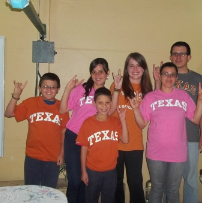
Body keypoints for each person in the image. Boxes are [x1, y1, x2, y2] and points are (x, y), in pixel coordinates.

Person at [129, 62, 202, 203]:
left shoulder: (183, 96)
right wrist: (135, 109)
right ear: (160, 75)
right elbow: (142, 124)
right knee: (157, 188)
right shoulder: (151, 97)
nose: (169, 77)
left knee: (173, 190)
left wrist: (200, 101)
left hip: (178, 152)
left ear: (176, 78)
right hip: (156, 152)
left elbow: (196, 119)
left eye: (172, 75)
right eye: (165, 74)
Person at [155, 42, 202, 203]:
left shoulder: (197, 79)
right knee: (169, 184)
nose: (178, 57)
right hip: (169, 140)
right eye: (175, 53)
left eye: (182, 54)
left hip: (191, 138)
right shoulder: (165, 77)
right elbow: (155, 101)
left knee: (190, 180)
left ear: (189, 57)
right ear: (170, 56)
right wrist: (157, 79)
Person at [59, 58, 112, 203]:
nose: (97, 75)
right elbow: (63, 109)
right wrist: (68, 89)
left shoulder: (107, 94)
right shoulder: (81, 89)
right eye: (94, 71)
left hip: (94, 142)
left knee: (85, 182)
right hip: (74, 137)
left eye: (101, 71)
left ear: (107, 73)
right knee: (75, 181)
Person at [4, 72, 69, 188]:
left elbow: (64, 132)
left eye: (52, 87)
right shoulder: (31, 103)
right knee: (31, 191)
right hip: (32, 157)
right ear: (39, 88)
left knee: (48, 192)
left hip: (52, 158)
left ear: (58, 89)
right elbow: (8, 113)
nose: (49, 89)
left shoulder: (62, 108)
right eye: (45, 86)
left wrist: (62, 154)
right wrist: (16, 95)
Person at [109, 52, 152, 203]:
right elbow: (109, 111)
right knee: (116, 183)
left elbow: (143, 123)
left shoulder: (147, 90)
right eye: (131, 65)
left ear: (144, 69)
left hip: (135, 144)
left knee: (135, 183)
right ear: (126, 69)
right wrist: (116, 88)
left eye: (139, 65)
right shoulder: (116, 85)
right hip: (115, 143)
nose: (135, 68)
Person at [76, 87, 129, 203]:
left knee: (109, 200)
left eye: (107, 103)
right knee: (91, 199)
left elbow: (125, 140)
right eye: (100, 103)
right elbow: (84, 148)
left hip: (111, 171)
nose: (104, 106)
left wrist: (123, 120)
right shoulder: (88, 123)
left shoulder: (115, 122)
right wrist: (83, 171)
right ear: (94, 104)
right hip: (92, 171)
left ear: (111, 104)